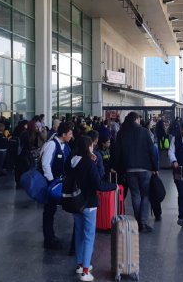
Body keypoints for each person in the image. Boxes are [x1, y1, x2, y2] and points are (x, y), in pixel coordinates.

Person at [69, 136, 117, 281]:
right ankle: (85, 271)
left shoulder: (71, 161)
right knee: (89, 236)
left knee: (78, 233)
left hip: (75, 202)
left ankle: (79, 264)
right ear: (88, 147)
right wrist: (113, 186)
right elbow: (98, 184)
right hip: (89, 203)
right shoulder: (89, 163)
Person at [112, 112, 157, 233]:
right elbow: (151, 150)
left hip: (129, 169)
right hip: (145, 168)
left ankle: (138, 222)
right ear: (136, 119)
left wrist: (116, 167)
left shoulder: (122, 132)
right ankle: (143, 222)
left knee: (135, 195)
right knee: (145, 195)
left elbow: (117, 152)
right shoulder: (144, 131)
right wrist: (155, 167)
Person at [41, 121, 73, 250]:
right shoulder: (51, 145)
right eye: (70, 134)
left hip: (60, 183)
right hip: (52, 184)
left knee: (52, 210)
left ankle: (51, 236)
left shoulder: (65, 146)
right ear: (64, 134)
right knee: (49, 211)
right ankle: (48, 238)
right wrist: (51, 181)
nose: (71, 136)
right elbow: (45, 164)